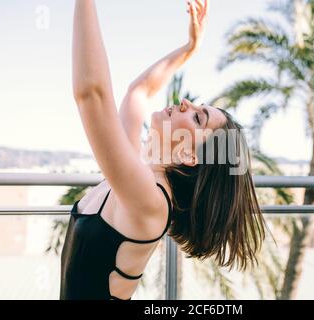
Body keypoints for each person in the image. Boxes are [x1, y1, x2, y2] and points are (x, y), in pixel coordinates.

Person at [60, 0, 268, 300]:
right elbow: (139, 92)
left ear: (190, 155)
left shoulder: (151, 204)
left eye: (198, 117)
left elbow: (92, 94)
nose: (186, 103)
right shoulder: (137, 175)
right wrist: (190, 48)